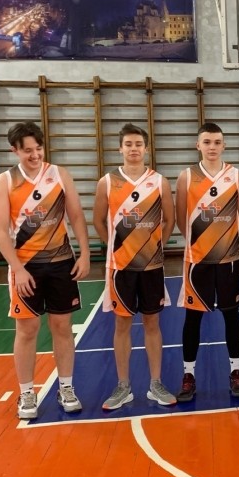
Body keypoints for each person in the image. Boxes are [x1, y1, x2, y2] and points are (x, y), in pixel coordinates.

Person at [0, 122, 90, 419]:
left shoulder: (59, 175)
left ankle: (66, 387)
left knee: (62, 327)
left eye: (39, 149)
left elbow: (76, 215)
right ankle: (26, 393)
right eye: (28, 151)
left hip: (61, 263)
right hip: (25, 267)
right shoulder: (5, 182)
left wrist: (85, 254)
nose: (35, 155)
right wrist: (17, 269)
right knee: (27, 329)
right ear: (15, 150)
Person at [93, 123, 177, 409]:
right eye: (128, 144)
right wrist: (116, 247)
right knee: (122, 324)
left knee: (152, 323)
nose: (133, 149)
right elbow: (97, 220)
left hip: (152, 266)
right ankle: (123, 386)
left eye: (138, 144)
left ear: (146, 148)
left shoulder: (159, 181)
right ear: (120, 148)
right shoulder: (107, 182)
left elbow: (169, 219)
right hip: (120, 268)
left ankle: (155, 384)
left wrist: (156, 246)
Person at [175, 123, 239, 402]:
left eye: (217, 142)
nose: (212, 147)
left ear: (224, 145)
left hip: (228, 258)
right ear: (198, 145)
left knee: (232, 315)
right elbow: (181, 218)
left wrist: (221, 239)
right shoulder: (186, 177)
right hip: (197, 260)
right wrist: (202, 242)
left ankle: (236, 371)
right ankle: (188, 374)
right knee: (192, 318)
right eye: (207, 142)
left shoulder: (236, 176)